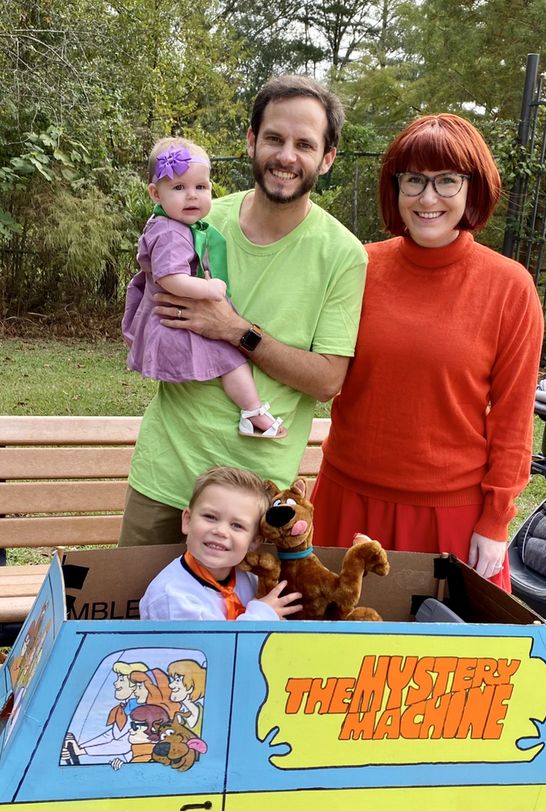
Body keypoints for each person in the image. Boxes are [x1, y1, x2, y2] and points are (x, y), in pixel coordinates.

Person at [118, 75, 368, 547]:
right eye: (274, 138)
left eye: (304, 144)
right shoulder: (198, 217)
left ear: (327, 158)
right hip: (166, 476)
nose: (286, 156)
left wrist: (238, 332)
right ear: (252, 142)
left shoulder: (342, 255)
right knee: (137, 614)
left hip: (254, 496)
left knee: (240, 620)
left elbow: (328, 380)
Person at [311, 114, 545, 590]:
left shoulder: (508, 287)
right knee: (332, 656)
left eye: (446, 181)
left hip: (450, 516)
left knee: (447, 662)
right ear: (395, 187)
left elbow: (514, 417)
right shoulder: (360, 266)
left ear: (472, 188)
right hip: (348, 499)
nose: (428, 197)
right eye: (414, 180)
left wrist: (496, 520)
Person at [122, 137, 286, 439]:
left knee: (229, 358)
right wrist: (211, 290)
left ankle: (251, 413)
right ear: (155, 194)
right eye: (179, 188)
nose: (192, 196)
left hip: (175, 312)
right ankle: (253, 414)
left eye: (201, 187)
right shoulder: (171, 233)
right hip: (177, 320)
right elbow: (170, 278)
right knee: (231, 359)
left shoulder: (173, 225)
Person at [138, 466, 302, 621]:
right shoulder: (172, 597)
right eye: (210, 517)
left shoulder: (250, 578)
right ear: (187, 521)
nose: (220, 531)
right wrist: (263, 615)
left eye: (237, 525)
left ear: (254, 542)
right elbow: (212, 649)